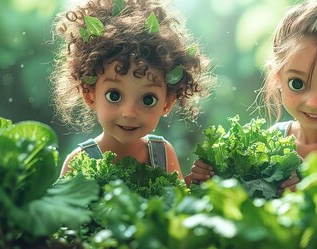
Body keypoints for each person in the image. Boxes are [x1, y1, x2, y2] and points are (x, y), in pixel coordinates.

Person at [185, 0, 317, 191]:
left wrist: (313, 196)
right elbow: (248, 196)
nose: (314, 102)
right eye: (297, 83)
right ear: (277, 76)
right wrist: (211, 177)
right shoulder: (272, 139)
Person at [52, 0, 214, 178]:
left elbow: (174, 202)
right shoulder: (79, 163)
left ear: (167, 103)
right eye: (114, 95)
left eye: (148, 99)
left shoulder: (162, 154)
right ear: (90, 95)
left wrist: (194, 184)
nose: (129, 113)